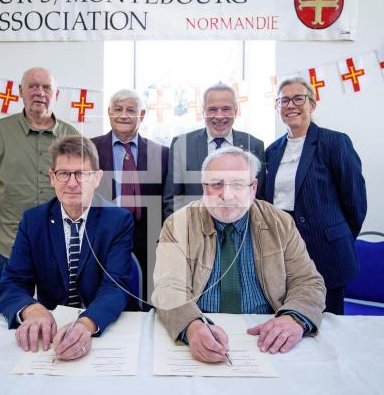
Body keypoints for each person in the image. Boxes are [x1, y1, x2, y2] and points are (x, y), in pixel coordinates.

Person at [152, 146, 326, 363]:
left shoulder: (280, 223)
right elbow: (168, 287)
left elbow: (308, 282)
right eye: (216, 184)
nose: (226, 195)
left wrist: (293, 318)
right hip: (203, 326)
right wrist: (191, 326)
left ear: (253, 187)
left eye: (237, 184)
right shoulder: (177, 224)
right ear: (204, 187)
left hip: (265, 335)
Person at [0, 135, 134, 361]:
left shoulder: (117, 221)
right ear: (52, 177)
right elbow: (11, 284)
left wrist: (87, 324)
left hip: (99, 328)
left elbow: (115, 287)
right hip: (50, 333)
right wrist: (33, 310)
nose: (71, 183)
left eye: (81, 174)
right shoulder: (33, 221)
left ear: (97, 178)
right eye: (63, 173)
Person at [263, 76, 367, 315]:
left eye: (298, 98)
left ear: (312, 104)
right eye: (284, 101)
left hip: (326, 249)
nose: (291, 105)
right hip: (283, 247)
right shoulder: (272, 150)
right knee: (287, 320)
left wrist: (336, 236)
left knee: (329, 325)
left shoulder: (334, 142)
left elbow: (355, 202)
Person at [0, 67, 79, 280]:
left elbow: (82, 189)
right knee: (13, 307)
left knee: (61, 312)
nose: (40, 92)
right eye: (33, 86)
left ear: (57, 94)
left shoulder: (72, 137)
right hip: (11, 244)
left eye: (47, 87)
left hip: (60, 246)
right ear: (20, 90)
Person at [91, 89, 168, 303]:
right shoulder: (89, 148)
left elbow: (165, 200)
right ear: (109, 113)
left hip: (147, 241)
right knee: (105, 297)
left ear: (141, 116)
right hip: (103, 239)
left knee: (144, 300)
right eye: (118, 109)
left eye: (131, 110)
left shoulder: (161, 153)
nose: (124, 115)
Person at [163, 82, 265, 219]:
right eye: (212, 109)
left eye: (226, 109)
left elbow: (257, 198)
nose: (219, 116)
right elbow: (172, 199)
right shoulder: (181, 144)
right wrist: (181, 233)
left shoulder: (253, 145)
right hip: (193, 230)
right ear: (203, 111)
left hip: (240, 232)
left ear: (236, 111)